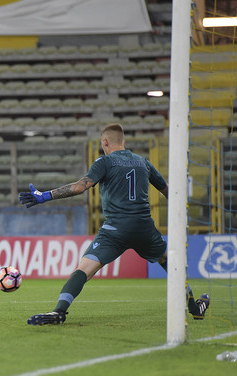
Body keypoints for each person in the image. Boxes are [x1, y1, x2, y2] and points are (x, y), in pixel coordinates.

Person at [18, 123, 210, 325]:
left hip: (115, 230)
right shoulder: (143, 162)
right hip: (144, 228)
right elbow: (168, 192)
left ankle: (59, 312)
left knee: (84, 269)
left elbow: (79, 187)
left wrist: (45, 196)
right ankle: (195, 309)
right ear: (123, 142)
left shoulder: (104, 162)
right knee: (172, 266)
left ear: (105, 142)